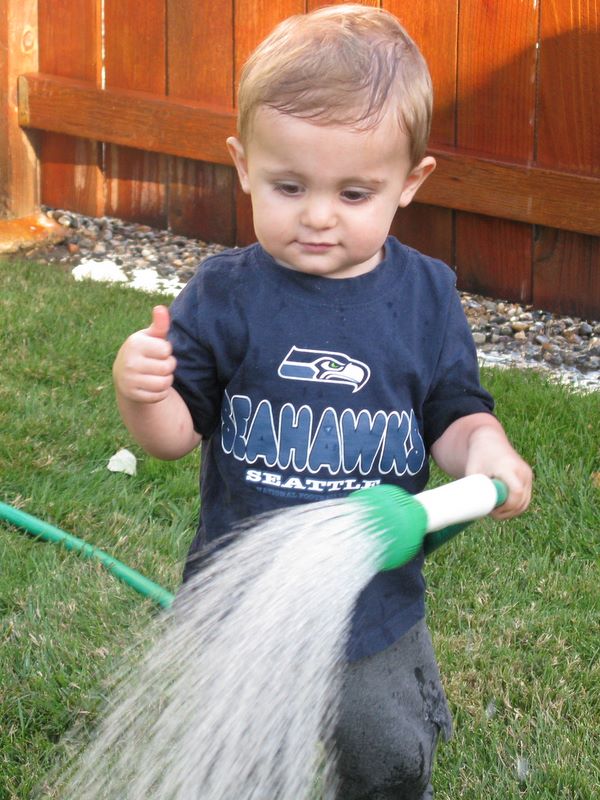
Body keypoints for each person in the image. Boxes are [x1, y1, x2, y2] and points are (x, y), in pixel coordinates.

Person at [113, 5, 532, 798]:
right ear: (244, 165)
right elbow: (172, 437)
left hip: (373, 606)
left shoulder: (425, 297)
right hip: (245, 609)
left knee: (385, 756)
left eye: (354, 192)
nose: (316, 215)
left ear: (410, 184)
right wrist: (145, 394)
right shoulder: (226, 295)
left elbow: (454, 415)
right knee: (244, 769)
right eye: (289, 185)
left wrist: (486, 449)